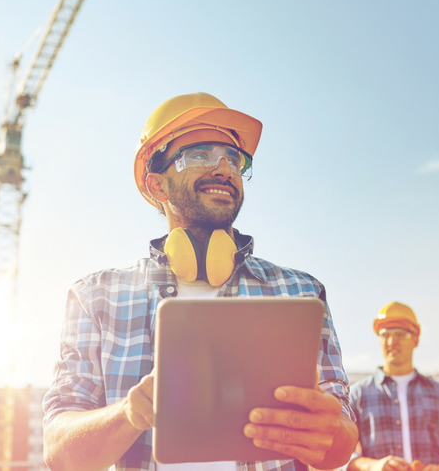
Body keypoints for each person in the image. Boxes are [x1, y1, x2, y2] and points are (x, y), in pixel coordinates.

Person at [42, 92, 358, 471]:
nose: (224, 168)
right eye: (199, 155)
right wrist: (130, 413)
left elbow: (341, 439)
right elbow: (60, 452)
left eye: (234, 159)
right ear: (157, 186)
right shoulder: (95, 297)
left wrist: (330, 432)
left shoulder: (302, 292)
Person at [348, 302, 439, 471]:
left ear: (415, 339)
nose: (391, 341)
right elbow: (338, 452)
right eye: (384, 334)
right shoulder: (358, 394)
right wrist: (371, 466)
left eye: (399, 334)